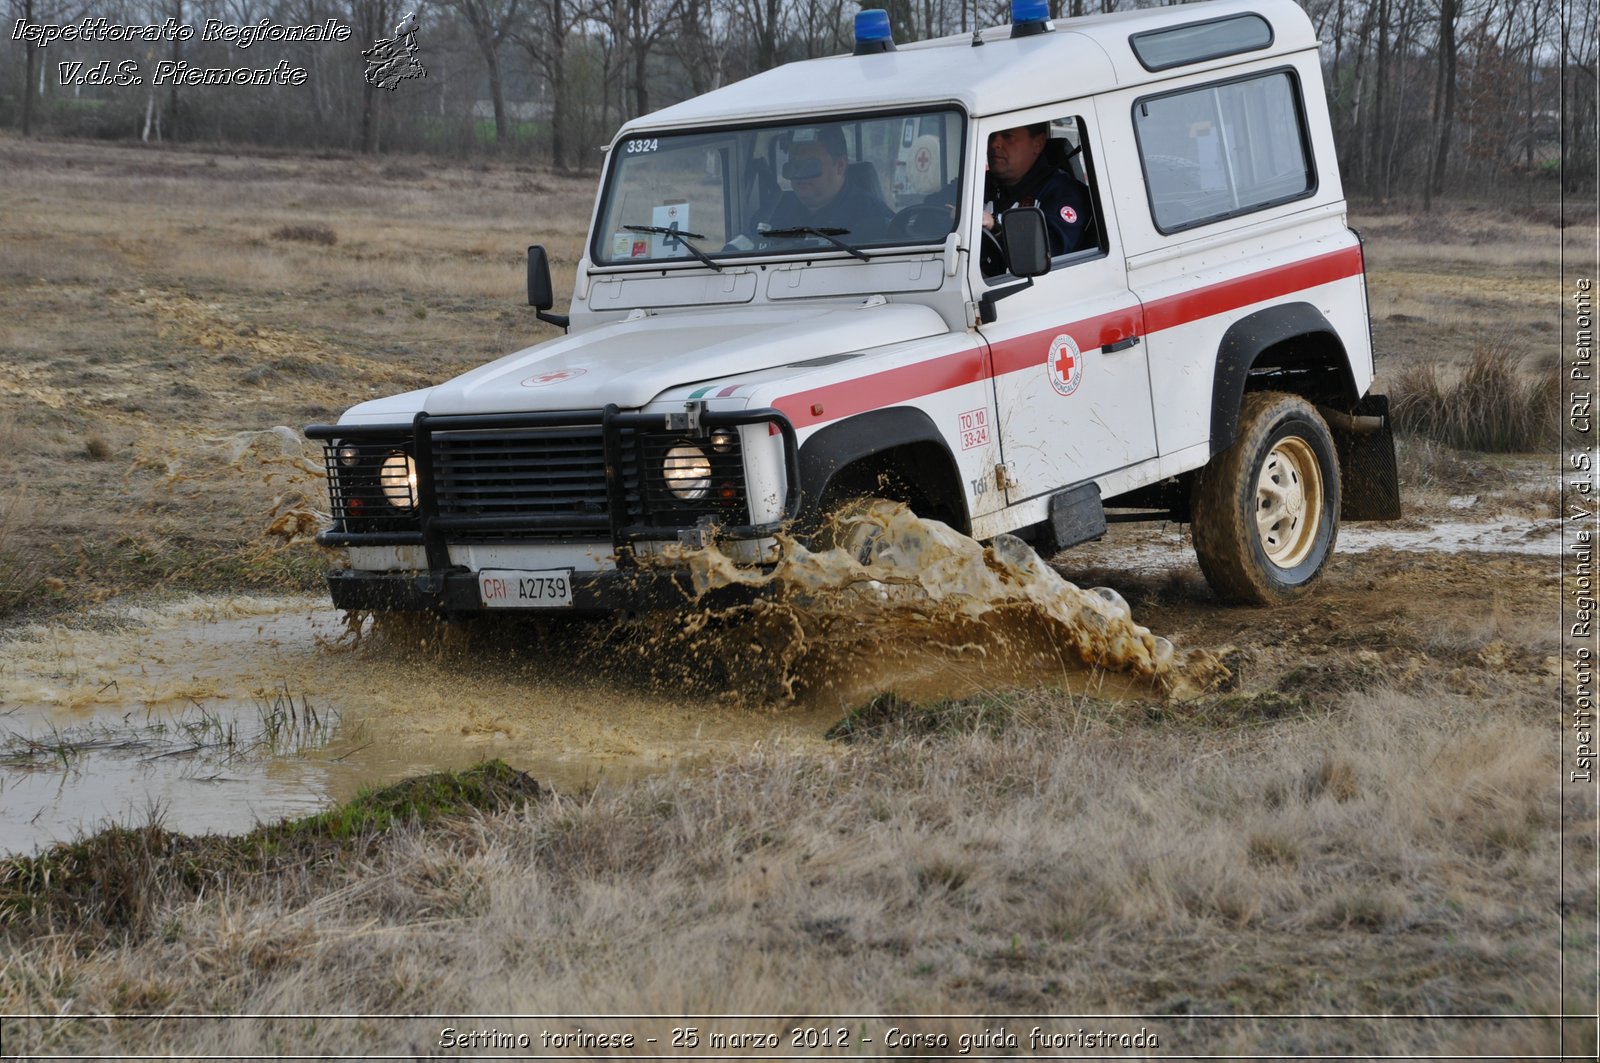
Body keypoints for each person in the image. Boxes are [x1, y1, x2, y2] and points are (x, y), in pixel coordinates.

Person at [761, 125, 893, 242]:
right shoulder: (772, 213)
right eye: (794, 165)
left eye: (810, 165)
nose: (799, 174)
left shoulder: (876, 220)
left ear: (840, 165)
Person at [983, 122, 1094, 256]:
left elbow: (1047, 251)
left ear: (1038, 144)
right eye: (991, 135)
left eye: (1007, 136)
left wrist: (996, 225)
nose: (995, 143)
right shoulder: (978, 185)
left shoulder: (1065, 194)